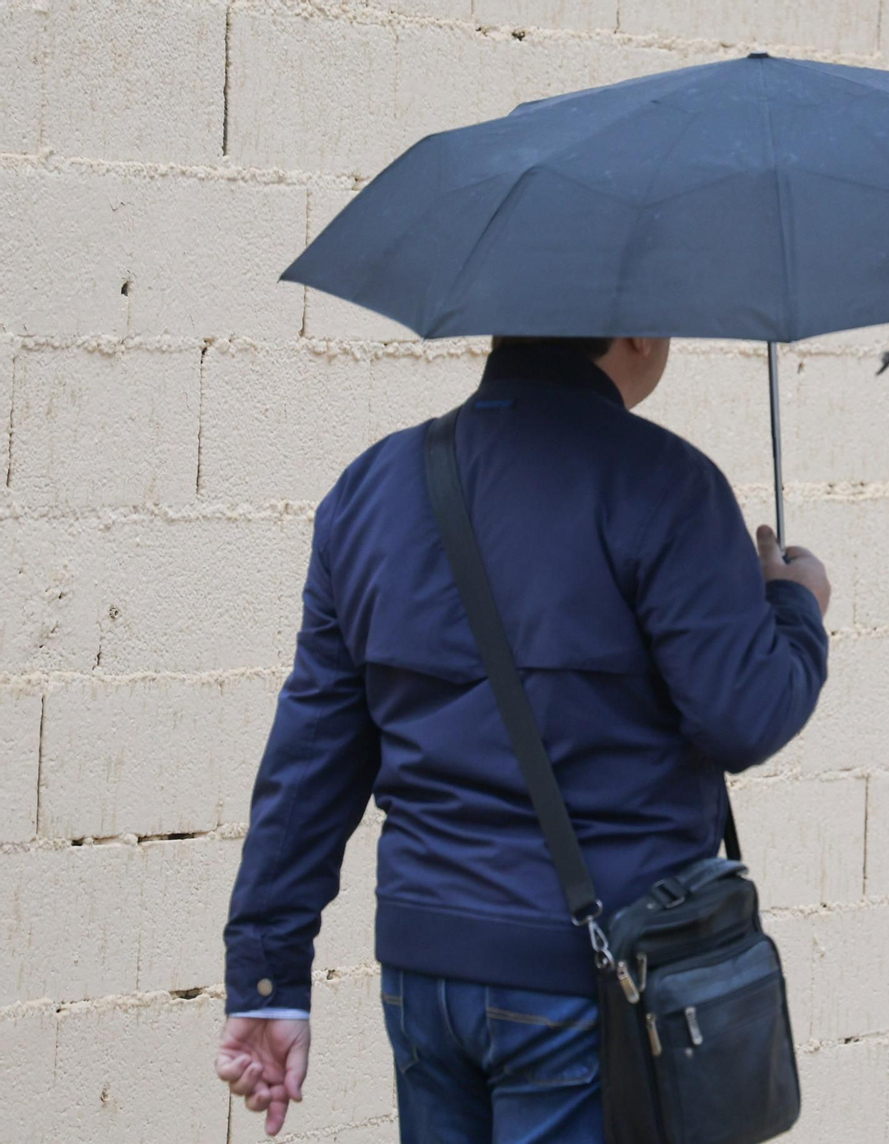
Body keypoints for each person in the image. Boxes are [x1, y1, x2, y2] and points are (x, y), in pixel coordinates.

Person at [214, 336, 831, 1141]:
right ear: (637, 332)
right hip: (593, 979)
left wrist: (269, 981)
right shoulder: (667, 485)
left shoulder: (370, 491)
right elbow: (746, 716)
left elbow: (309, 763)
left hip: (424, 968)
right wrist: (795, 606)